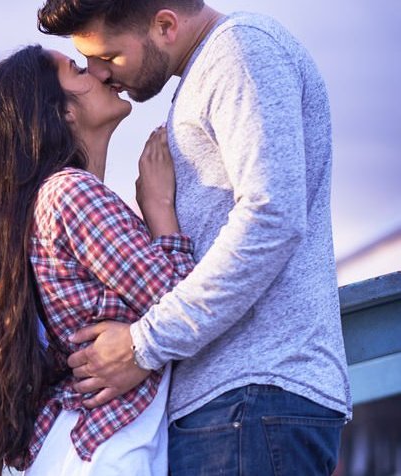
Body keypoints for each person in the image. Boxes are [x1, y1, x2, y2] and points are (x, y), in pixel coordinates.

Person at [37, 1, 352, 474]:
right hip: (232, 403)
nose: (100, 74)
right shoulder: (209, 71)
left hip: (251, 394)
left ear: (164, 25)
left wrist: (143, 344)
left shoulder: (240, 52)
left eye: (109, 56)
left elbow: (272, 217)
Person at [0, 44, 195, 476]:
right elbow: (190, 303)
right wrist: (160, 211)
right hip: (111, 448)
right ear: (61, 112)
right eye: (79, 69)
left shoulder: (43, 205)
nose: (101, 73)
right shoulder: (72, 195)